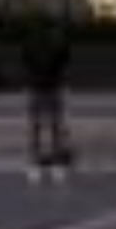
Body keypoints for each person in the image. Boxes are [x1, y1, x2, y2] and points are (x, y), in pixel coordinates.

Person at [22, 16, 73, 176]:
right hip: (52, 86)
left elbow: (25, 59)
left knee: (35, 126)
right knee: (55, 125)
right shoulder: (56, 41)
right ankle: (56, 160)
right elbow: (65, 58)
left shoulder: (30, 41)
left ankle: (34, 158)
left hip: (36, 86)